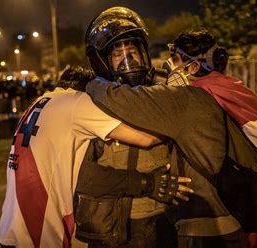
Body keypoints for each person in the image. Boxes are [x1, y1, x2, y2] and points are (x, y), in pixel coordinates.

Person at [0, 65, 191, 248]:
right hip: (38, 231)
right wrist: (179, 120)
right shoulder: (76, 101)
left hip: (10, 225)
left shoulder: (40, 102)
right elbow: (144, 138)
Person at [165, 28, 257, 248]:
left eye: (175, 59)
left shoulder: (200, 94)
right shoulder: (232, 86)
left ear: (194, 66)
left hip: (246, 195)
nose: (170, 65)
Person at [74, 7, 179, 248]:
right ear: (102, 61)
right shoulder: (90, 106)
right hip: (113, 232)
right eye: (117, 54)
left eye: (132, 50)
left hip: (165, 225)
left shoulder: (165, 95)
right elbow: (84, 178)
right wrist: (145, 184)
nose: (128, 59)